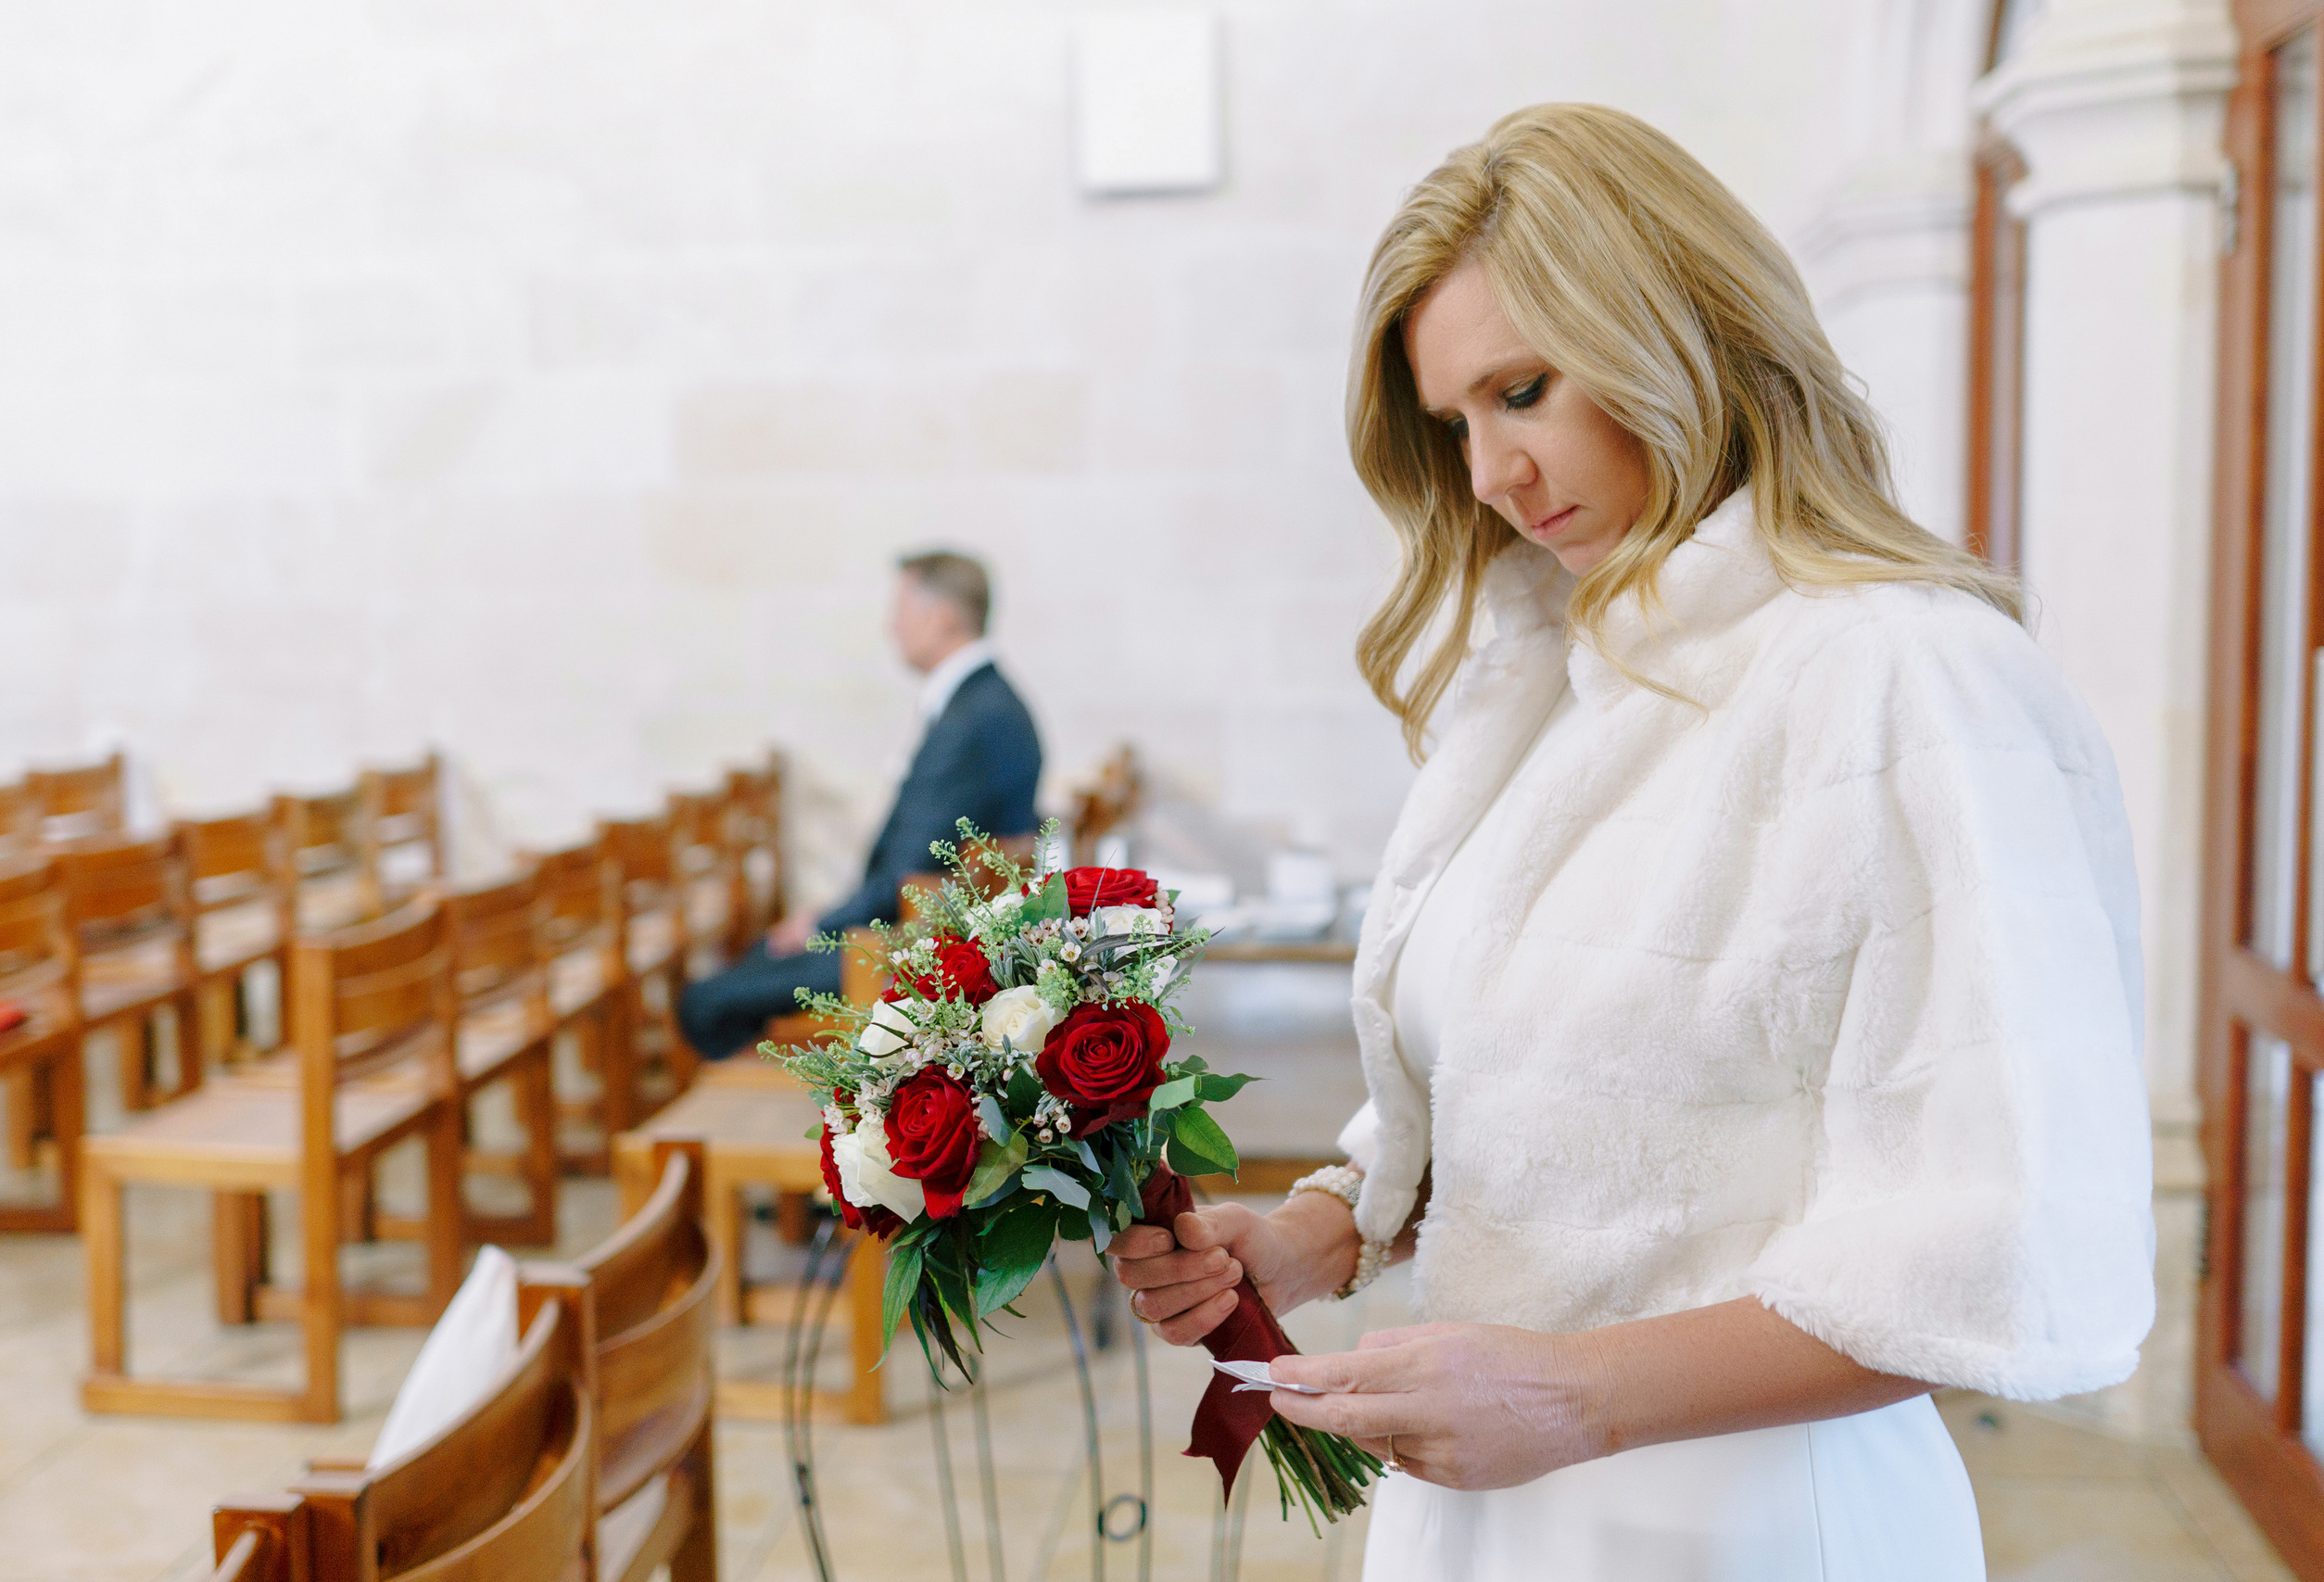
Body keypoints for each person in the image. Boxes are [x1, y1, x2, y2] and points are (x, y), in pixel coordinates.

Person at [1108, 103, 2153, 1580]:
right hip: (1493, 1495)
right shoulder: (1549, 677)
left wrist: (1575, 1392)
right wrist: (1319, 1229)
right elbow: (1559, 1113)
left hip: (1743, 1519)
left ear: (1684, 328)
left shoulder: (1909, 679)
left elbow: (2003, 1242)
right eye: (1453, 423)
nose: (1488, 474)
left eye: (1522, 390)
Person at [677, 550, 1042, 1058]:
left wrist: (824, 924)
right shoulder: (986, 703)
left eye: (901, 610)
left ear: (940, 617)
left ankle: (765, 1112)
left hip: (905, 949)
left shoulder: (974, 720)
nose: (890, 626)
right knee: (753, 958)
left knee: (704, 1002)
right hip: (921, 931)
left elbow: (913, 866)